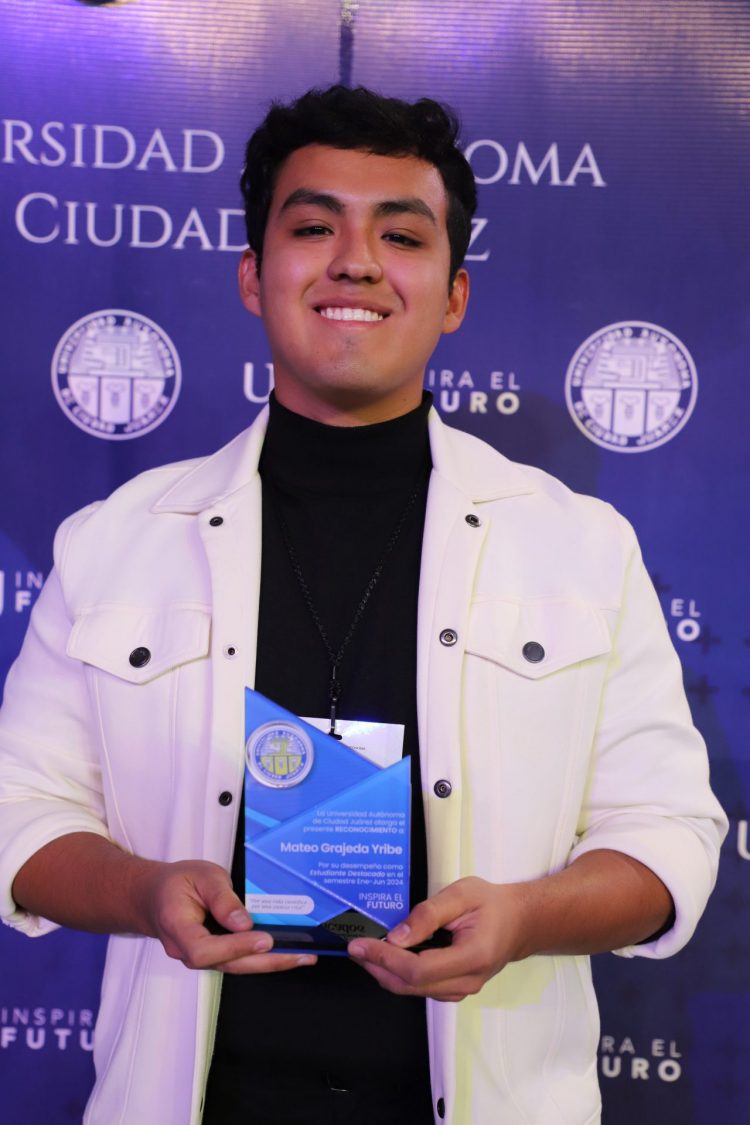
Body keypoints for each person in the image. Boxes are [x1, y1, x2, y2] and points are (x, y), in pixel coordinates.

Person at [0, 86, 726, 1125]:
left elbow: (668, 835)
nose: (356, 261)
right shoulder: (115, 541)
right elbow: (20, 813)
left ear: (454, 294)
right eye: (313, 228)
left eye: (402, 235)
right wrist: (146, 892)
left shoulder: (580, 546)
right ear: (252, 275)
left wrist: (523, 917)